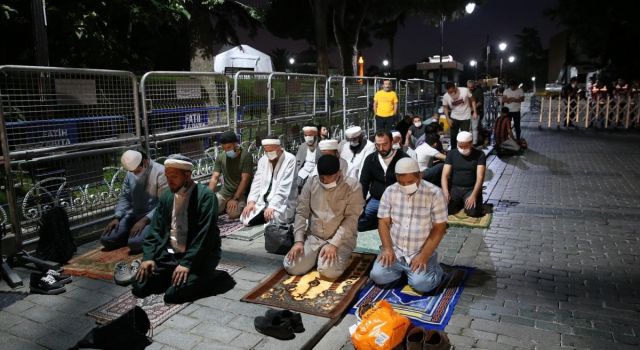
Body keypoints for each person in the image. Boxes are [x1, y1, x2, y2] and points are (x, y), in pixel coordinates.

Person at [132, 154, 221, 304]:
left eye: (173, 176)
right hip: (170, 255)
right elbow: (155, 229)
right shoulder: (167, 196)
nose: (169, 181)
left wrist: (187, 263)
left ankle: (209, 276)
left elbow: (204, 236)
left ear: (187, 175)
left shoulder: (206, 197)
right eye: (167, 176)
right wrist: (148, 257)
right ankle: (172, 275)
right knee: (139, 286)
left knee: (172, 295)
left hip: (199, 257)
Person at [369, 158, 447, 293]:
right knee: (377, 276)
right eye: (401, 183)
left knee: (422, 285)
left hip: (420, 251)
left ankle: (435, 270)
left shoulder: (435, 193)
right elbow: (383, 222)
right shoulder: (390, 191)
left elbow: (439, 228)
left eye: (410, 182)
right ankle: (405, 271)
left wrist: (423, 256)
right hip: (396, 251)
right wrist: (387, 248)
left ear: (420, 175)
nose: (405, 186)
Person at [284, 155, 364, 279]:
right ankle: (316, 256)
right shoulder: (311, 182)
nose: (325, 181)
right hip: (314, 237)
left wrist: (334, 244)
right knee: (291, 265)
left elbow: (351, 219)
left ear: (339, 173)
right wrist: (298, 241)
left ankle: (328, 257)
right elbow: (301, 212)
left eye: (330, 177)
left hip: (340, 240)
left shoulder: (353, 187)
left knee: (328, 272)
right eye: (322, 178)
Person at [102, 150, 167, 253]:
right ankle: (133, 234)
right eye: (132, 172)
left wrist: (144, 220)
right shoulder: (130, 173)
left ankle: (154, 234)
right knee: (106, 240)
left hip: (154, 216)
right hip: (134, 214)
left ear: (145, 162)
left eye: (137, 171)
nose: (134, 174)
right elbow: (125, 197)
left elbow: (164, 204)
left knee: (135, 244)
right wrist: (117, 216)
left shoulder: (161, 172)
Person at [241, 136, 297, 226]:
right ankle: (263, 214)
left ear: (279, 148)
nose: (269, 154)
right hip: (263, 202)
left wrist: (273, 206)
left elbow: (285, 187)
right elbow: (256, 183)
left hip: (283, 203)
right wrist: (251, 202)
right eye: (266, 151)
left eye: (271, 151)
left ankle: (266, 215)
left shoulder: (290, 159)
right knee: (245, 218)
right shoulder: (263, 160)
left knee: (274, 218)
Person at [358, 130, 408, 231]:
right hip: (376, 200)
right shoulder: (370, 159)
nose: (381, 148)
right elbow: (364, 184)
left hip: (397, 202)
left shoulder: (403, 158)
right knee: (359, 223)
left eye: (385, 145)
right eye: (378, 145)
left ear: (391, 142)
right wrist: (360, 205)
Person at [207, 131, 253, 220]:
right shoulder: (220, 157)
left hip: (241, 193)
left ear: (236, 144)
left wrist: (235, 198)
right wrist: (208, 195)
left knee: (233, 214)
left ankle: (228, 205)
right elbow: (214, 178)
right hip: (225, 192)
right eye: (224, 148)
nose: (226, 150)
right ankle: (225, 205)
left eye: (229, 147)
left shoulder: (246, 156)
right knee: (208, 209)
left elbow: (245, 180)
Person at [441, 131, 486, 217]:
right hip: (455, 188)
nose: (462, 149)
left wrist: (473, 195)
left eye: (465, 146)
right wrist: (445, 191)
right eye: (460, 146)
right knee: (445, 209)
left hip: (471, 189)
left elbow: (480, 178)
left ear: (471, 143)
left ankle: (467, 202)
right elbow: (445, 175)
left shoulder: (480, 155)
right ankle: (460, 203)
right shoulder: (451, 154)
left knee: (473, 212)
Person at [442, 82, 477, 149]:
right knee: (453, 137)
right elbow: (445, 107)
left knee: (464, 136)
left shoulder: (464, 90)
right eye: (449, 92)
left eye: (452, 91)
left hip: (465, 117)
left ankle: (465, 149)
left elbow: (473, 100)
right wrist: (448, 119)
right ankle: (454, 151)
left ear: (455, 87)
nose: (451, 93)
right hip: (454, 117)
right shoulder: (446, 96)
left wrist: (475, 112)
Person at [295, 126, 321, 193]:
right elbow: (298, 161)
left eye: (310, 135)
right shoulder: (303, 146)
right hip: (303, 173)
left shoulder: (321, 145)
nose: (307, 137)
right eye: (305, 135)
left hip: (317, 174)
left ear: (315, 134)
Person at [467, 80, 485, 146]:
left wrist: (472, 109)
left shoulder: (478, 91)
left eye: (471, 87)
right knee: (469, 128)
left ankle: (474, 143)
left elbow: (480, 102)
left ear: (474, 86)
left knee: (474, 128)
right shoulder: (466, 91)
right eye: (469, 87)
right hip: (467, 113)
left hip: (476, 112)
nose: (470, 88)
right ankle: (470, 142)